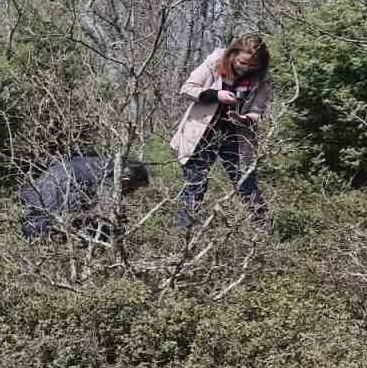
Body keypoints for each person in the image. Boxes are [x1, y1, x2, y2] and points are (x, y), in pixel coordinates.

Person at [171, 34, 273, 232]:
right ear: (233, 54)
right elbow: (188, 88)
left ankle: (264, 232)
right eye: (243, 62)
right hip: (201, 133)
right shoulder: (214, 63)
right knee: (195, 185)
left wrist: (245, 119)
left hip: (236, 137)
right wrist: (216, 95)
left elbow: (257, 111)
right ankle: (185, 237)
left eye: (253, 66)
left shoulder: (262, 79)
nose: (247, 68)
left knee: (246, 184)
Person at [20, 154, 151, 243]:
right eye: (133, 188)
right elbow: (102, 218)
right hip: (53, 201)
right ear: (126, 181)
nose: (131, 193)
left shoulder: (100, 165)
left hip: (39, 196)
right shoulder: (107, 179)